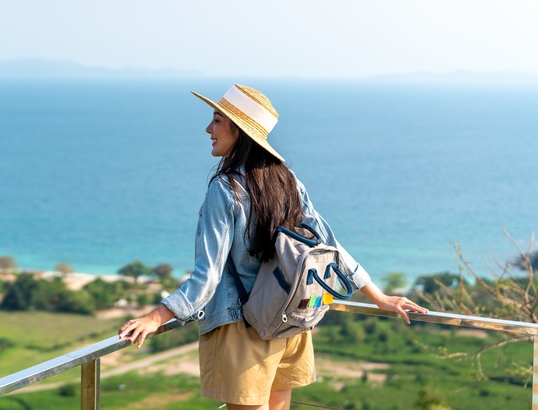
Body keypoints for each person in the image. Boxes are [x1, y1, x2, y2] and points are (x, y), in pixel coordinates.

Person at [118, 84, 428, 410]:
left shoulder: (225, 189)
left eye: (218, 120)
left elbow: (207, 276)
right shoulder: (287, 180)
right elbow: (330, 248)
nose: (209, 129)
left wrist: (157, 317)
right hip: (292, 321)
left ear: (239, 130)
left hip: (244, 329)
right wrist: (379, 297)